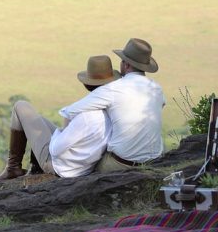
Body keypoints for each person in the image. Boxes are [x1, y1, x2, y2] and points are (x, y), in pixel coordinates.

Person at [0, 55, 119, 180]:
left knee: (21, 106)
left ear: (88, 83)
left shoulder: (86, 116)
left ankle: (13, 168)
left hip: (59, 167)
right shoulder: (112, 110)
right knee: (38, 120)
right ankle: (32, 168)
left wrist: (63, 129)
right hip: (81, 166)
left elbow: (55, 150)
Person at [61, 37, 166, 172]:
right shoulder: (156, 88)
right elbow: (161, 105)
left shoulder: (114, 88)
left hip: (121, 164)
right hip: (154, 162)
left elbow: (69, 112)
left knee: (85, 167)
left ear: (126, 64)